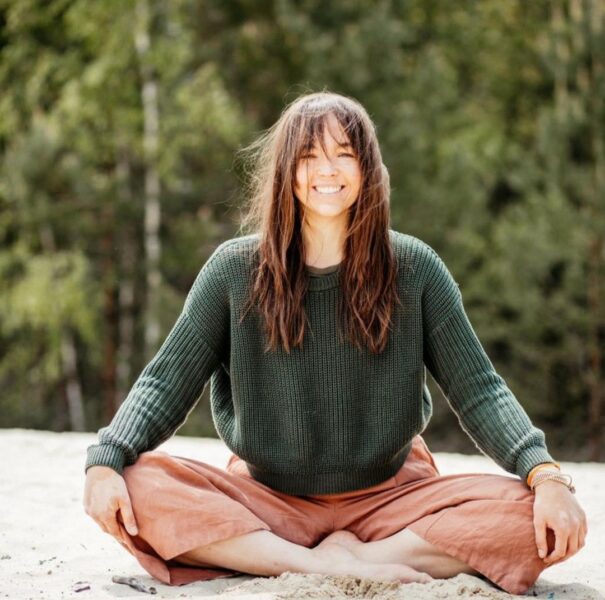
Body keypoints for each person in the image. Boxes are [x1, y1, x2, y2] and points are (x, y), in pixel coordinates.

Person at [83, 91, 587, 595]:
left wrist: (544, 474)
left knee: (529, 516)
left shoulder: (415, 268)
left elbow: (480, 390)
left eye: (344, 153)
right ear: (286, 170)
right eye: (309, 156)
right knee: (138, 483)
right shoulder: (234, 271)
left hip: (390, 500)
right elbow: (164, 382)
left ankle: (349, 557)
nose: (327, 169)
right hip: (266, 497)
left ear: (367, 167)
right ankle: (316, 563)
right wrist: (107, 458)